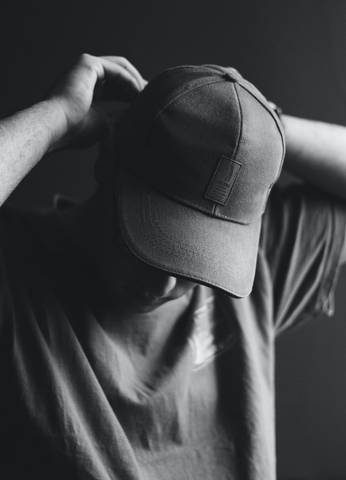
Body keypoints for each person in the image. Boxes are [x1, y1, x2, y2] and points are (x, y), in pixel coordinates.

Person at [0, 54, 346, 480]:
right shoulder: (17, 268)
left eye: (199, 263)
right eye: (152, 240)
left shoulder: (264, 262)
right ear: (108, 159)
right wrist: (58, 117)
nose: (166, 283)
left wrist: (265, 131)